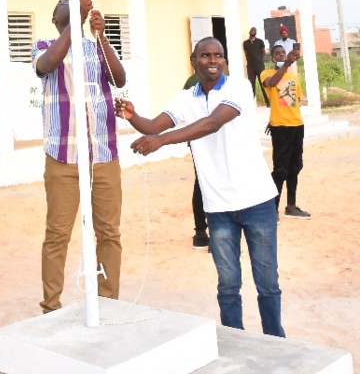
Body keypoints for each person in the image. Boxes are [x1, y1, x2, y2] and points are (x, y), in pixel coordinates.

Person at [116, 37, 284, 338]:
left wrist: (163, 141)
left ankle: (275, 341)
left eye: (218, 55)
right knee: (228, 285)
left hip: (257, 201)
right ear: (193, 61)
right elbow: (155, 126)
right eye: (205, 55)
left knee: (267, 283)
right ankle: (236, 340)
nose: (212, 61)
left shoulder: (239, 88)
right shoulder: (185, 99)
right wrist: (133, 116)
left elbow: (213, 123)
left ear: (225, 60)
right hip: (218, 207)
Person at [32, 0, 126, 314]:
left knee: (109, 232)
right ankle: (51, 306)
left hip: (103, 155)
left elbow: (119, 78)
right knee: (57, 234)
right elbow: (48, 64)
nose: (71, 11)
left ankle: (107, 301)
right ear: (56, 19)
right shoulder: (45, 46)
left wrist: (100, 37)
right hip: (63, 158)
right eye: (65, 9)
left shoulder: (94, 47)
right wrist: (78, 21)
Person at [260, 44, 310, 219]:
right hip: (281, 128)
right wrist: (286, 63)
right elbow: (272, 84)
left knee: (295, 166)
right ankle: (272, 210)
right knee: (280, 169)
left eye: (283, 53)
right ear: (272, 57)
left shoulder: (293, 78)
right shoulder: (266, 74)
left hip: (297, 125)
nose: (281, 55)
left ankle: (291, 206)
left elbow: (293, 101)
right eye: (278, 53)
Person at [183, 55, 209, 250]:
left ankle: (202, 232)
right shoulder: (193, 83)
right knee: (203, 183)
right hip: (202, 139)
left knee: (202, 182)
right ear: (194, 62)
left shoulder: (190, 82)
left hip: (202, 138)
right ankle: (202, 232)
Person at [243, 27, 267, 101]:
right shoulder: (245, 43)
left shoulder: (260, 41)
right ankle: (251, 102)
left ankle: (268, 102)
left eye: (254, 30)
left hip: (259, 66)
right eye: (251, 30)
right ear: (249, 32)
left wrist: (258, 59)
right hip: (250, 66)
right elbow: (246, 54)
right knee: (251, 85)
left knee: (263, 83)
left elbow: (263, 53)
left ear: (256, 32)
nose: (252, 31)